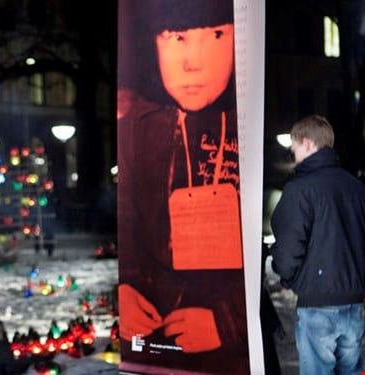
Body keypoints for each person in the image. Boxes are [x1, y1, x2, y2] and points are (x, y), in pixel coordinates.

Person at [117, 0, 249, 373]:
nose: (193, 61)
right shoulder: (137, 130)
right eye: (176, 37)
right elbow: (128, 220)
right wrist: (126, 289)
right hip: (158, 347)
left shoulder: (252, 126)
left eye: (216, 35)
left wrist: (228, 322)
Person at [270, 115, 365, 374]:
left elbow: (288, 249)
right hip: (354, 304)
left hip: (317, 306)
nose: (293, 153)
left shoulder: (300, 189)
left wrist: (288, 276)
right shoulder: (357, 188)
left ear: (309, 144)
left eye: (295, 147)